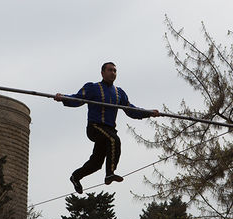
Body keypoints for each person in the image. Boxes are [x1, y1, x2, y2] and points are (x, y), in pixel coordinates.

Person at [55, 62, 159, 194]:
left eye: (115, 71)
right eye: (110, 70)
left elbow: (131, 110)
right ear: (102, 73)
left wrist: (148, 113)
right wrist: (63, 98)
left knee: (96, 164)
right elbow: (77, 99)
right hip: (95, 127)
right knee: (114, 140)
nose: (113, 73)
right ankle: (110, 173)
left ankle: (76, 177)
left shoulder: (119, 93)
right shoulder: (93, 87)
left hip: (109, 130)